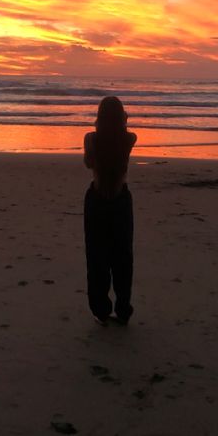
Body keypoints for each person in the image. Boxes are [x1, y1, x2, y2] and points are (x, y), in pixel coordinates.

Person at [83, 95, 137, 326]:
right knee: (122, 257)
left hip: (96, 200)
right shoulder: (129, 138)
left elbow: (88, 163)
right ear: (122, 116)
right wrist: (123, 121)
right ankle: (123, 309)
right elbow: (124, 134)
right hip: (120, 200)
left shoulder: (91, 139)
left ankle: (101, 310)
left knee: (97, 257)